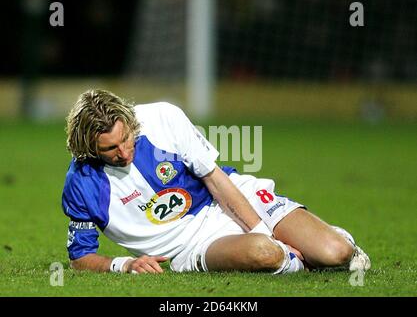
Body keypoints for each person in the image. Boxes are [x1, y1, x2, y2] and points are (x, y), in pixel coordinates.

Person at [62, 89, 370, 275]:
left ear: (130, 121)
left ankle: (332, 241)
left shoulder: (162, 118)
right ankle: (294, 257)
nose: (124, 151)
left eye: (127, 139)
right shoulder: (82, 183)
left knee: (335, 252)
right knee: (265, 254)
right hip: (191, 246)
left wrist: (263, 230)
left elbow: (215, 178)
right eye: (110, 149)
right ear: (88, 149)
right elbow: (80, 257)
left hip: (229, 198)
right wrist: (122, 264)